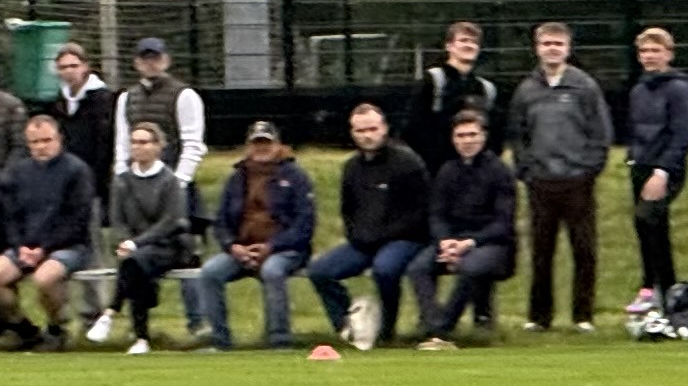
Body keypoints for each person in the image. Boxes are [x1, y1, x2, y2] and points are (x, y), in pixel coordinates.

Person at [509, 21, 613, 332]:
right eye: (546, 44)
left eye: (558, 44)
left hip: (577, 181)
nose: (552, 49)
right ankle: (539, 317)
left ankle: (583, 316)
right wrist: (526, 169)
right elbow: (518, 134)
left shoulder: (584, 86)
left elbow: (600, 132)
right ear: (537, 48)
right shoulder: (527, 89)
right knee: (541, 252)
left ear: (568, 48)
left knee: (584, 250)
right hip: (540, 181)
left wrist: (590, 169)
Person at [307, 100, 429, 349]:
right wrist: (357, 235)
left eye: (372, 129)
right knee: (320, 271)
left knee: (385, 269)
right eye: (361, 131)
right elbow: (348, 210)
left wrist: (384, 236)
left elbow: (420, 212)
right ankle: (349, 326)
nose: (367, 136)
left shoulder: (407, 163)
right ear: (352, 133)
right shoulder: (351, 168)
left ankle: (386, 332)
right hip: (364, 242)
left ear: (384, 128)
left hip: (405, 239)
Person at [0, 108, 99, 348]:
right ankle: (24, 328)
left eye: (47, 140)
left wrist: (44, 249)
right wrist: (20, 246)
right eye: (35, 142)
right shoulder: (18, 171)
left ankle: (56, 327)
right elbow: (11, 216)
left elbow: (77, 220)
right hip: (26, 246)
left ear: (59, 139)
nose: (41, 146)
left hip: (69, 246)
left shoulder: (77, 170)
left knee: (44, 279)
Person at [190, 120, 317, 351]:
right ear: (248, 146)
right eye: (256, 143)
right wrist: (232, 246)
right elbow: (221, 222)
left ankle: (279, 340)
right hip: (242, 250)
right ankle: (220, 340)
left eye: (266, 143)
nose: (261, 148)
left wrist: (272, 246)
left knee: (272, 271)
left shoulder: (296, 176)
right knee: (209, 273)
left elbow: (304, 225)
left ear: (277, 145)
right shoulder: (236, 178)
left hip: (285, 250)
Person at [415, 110, 517, 347]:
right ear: (453, 139)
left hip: (493, 244)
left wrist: (469, 243)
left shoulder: (500, 172)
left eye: (472, 134)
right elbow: (437, 214)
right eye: (461, 135)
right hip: (453, 241)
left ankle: (443, 330)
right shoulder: (447, 170)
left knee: (470, 267)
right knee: (418, 266)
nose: (467, 141)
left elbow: (504, 223)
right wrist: (445, 241)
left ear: (483, 137)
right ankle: (432, 324)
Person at [626, 26, 688, 311]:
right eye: (644, 51)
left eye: (655, 50)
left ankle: (658, 289)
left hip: (666, 167)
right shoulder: (639, 89)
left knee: (649, 218)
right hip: (641, 165)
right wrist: (634, 158)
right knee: (647, 226)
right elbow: (636, 129)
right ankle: (660, 288)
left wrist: (662, 170)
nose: (649, 56)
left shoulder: (679, 89)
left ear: (668, 54)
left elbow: (683, 133)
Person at [105, 118, 194, 353]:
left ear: (157, 146)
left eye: (144, 142)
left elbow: (170, 221)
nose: (138, 147)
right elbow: (117, 219)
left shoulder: (169, 181)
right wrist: (125, 241)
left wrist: (136, 243)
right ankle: (139, 337)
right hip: (134, 249)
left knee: (134, 262)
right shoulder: (122, 181)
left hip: (168, 246)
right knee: (134, 266)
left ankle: (112, 311)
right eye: (134, 142)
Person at [402, 20, 498, 169]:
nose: (469, 45)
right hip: (436, 170)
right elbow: (413, 128)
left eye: (474, 42)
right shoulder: (432, 81)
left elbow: (493, 134)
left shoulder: (485, 88)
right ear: (449, 46)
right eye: (463, 40)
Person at [114, 36, 206, 181]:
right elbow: (122, 143)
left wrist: (180, 180)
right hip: (135, 180)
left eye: (155, 58)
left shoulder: (185, 95)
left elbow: (193, 144)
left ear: (166, 60)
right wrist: (121, 176)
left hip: (172, 176)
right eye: (145, 58)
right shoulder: (126, 97)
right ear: (136, 63)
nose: (150, 63)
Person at [44, 38, 117, 186]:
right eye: (63, 67)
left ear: (85, 67)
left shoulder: (103, 99)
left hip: (96, 179)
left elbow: (105, 143)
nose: (69, 71)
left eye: (74, 66)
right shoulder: (58, 102)